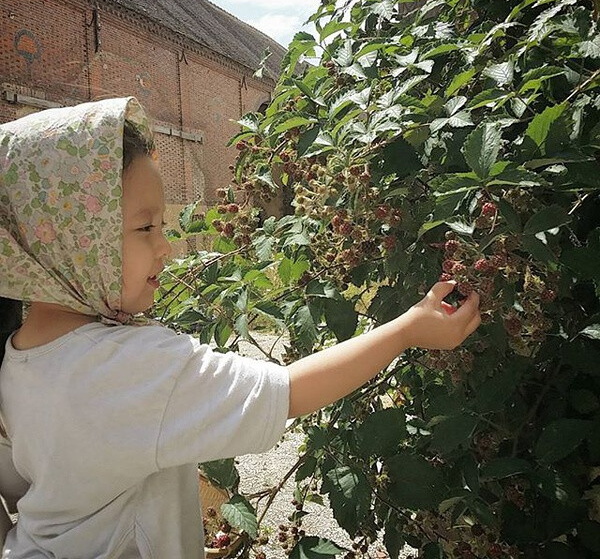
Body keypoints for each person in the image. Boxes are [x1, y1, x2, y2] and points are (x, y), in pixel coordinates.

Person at [0, 97, 480, 558]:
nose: (166, 248)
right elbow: (288, 391)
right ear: (73, 242)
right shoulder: (127, 366)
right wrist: (407, 331)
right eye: (145, 228)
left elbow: (36, 489)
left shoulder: (19, 357)